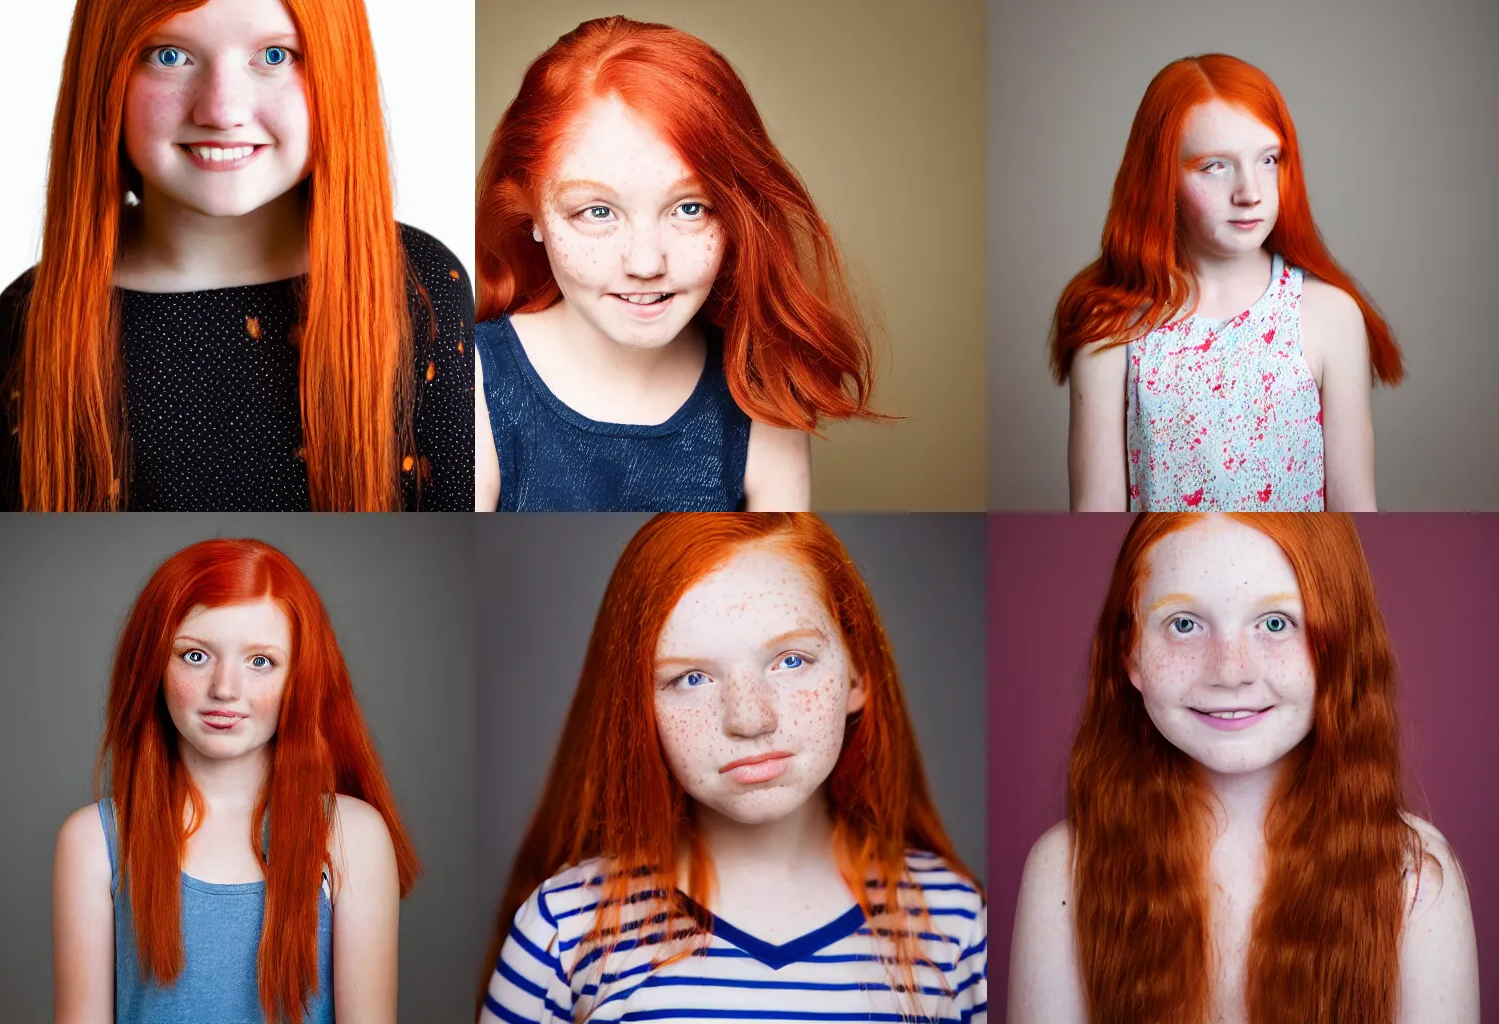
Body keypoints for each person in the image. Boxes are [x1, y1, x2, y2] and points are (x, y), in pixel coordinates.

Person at [0, 0, 474, 511]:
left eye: (275, 55)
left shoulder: (421, 286)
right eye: (168, 55)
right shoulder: (28, 316)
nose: (222, 111)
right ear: (103, 73)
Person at [480, 514, 986, 1021]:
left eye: (791, 660)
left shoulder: (956, 925)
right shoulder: (565, 928)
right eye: (692, 678)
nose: (749, 720)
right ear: (638, 706)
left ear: (857, 674)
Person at [1007, 513, 1479, 1023]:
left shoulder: (1416, 880)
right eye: (1183, 624)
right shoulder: (1063, 871)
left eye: (1276, 623)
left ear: (1338, 643)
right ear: (1131, 653)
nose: (1230, 671)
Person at [473, 18, 885, 512]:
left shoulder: (759, 389)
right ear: (530, 213)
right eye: (597, 212)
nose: (646, 263)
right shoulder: (472, 380)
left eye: (690, 208)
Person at [51, 538, 420, 1023]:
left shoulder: (353, 838)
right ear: (153, 666)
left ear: (300, 679)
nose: (225, 688)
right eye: (195, 656)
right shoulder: (92, 843)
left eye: (260, 661)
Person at [1054, 55, 1404, 512]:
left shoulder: (1330, 317)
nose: (1250, 192)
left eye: (1267, 159)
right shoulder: (1112, 329)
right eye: (1214, 166)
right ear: (1160, 178)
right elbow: (1095, 522)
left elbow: (1355, 516)